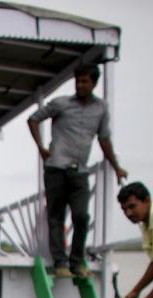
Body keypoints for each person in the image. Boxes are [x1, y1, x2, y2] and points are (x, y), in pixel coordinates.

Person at [27, 64, 128, 278]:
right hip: (56, 168)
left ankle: (77, 261)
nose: (80, 85)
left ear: (94, 83)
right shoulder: (61, 104)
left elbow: (104, 140)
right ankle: (60, 263)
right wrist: (41, 147)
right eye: (78, 81)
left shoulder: (101, 108)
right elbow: (33, 119)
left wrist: (117, 168)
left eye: (85, 81)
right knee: (56, 216)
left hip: (79, 170)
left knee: (81, 216)